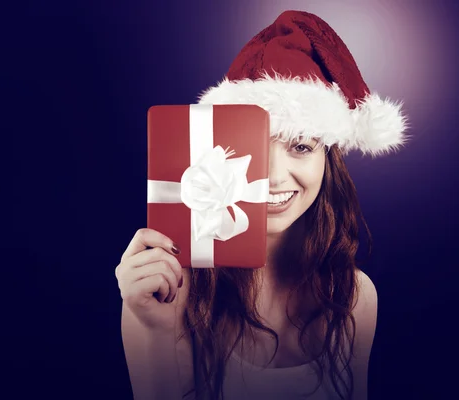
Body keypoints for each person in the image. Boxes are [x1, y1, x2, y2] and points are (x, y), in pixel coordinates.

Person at [116, 10, 407, 400]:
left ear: (328, 163)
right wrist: (155, 334)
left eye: (301, 146)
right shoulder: (167, 290)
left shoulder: (354, 297)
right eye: (254, 145)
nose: (272, 176)